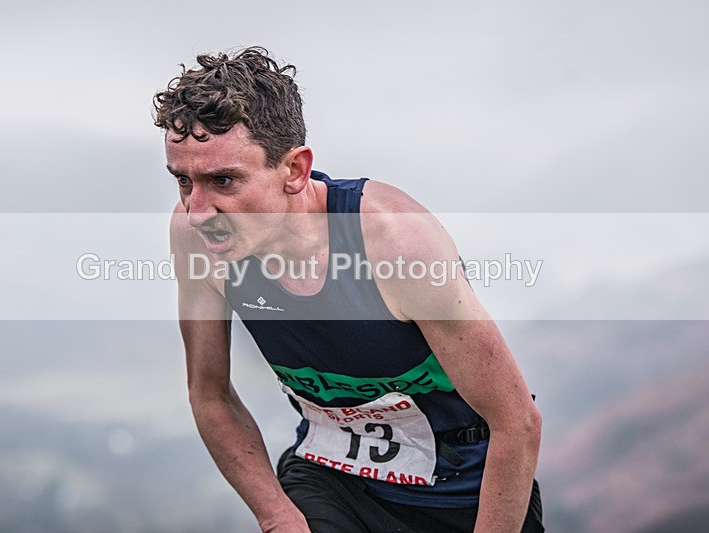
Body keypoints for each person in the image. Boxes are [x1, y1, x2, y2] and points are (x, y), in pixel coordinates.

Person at [153, 47, 543, 533]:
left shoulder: (396, 239)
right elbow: (210, 394)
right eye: (184, 182)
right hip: (332, 479)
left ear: (294, 170)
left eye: (224, 181)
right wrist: (277, 517)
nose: (198, 210)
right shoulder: (197, 236)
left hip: (464, 491)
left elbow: (517, 423)